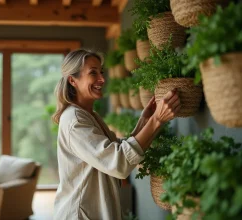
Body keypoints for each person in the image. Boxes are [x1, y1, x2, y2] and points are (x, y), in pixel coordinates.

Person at [52, 49, 181, 220]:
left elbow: (116, 150)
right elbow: (118, 163)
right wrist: (157, 120)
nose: (102, 79)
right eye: (93, 73)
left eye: (101, 72)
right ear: (72, 80)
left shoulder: (88, 115)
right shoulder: (75, 121)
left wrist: (145, 121)